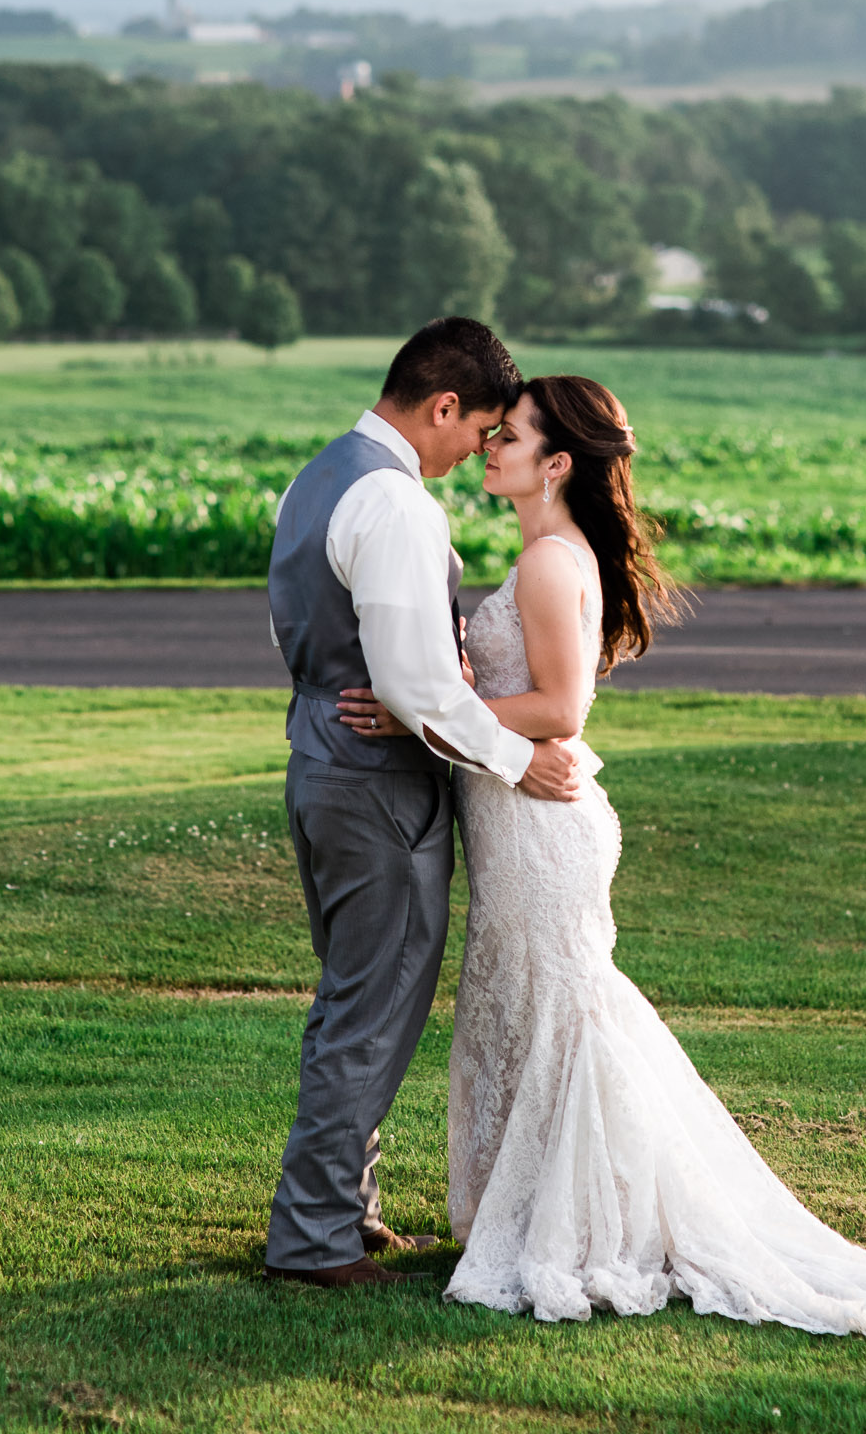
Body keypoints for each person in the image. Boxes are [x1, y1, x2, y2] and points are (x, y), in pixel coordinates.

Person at [341, 374, 866, 1335]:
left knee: (559, 1016)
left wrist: (418, 712)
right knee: (530, 1009)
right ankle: (551, 1210)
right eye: (492, 430)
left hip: (541, 826)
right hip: (519, 821)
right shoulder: (544, 551)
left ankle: (589, 1228)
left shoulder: (552, 563)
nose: (490, 445)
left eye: (511, 435)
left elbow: (560, 712)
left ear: (555, 464)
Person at [263, 318, 582, 1290]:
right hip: (376, 783)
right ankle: (313, 1238)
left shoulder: (312, 478)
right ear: (442, 405)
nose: (477, 451)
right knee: (374, 1004)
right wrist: (516, 757)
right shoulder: (398, 505)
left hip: (317, 756)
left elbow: (301, 631)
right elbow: (418, 688)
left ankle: (342, 1210)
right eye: (479, 430)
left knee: (350, 999)